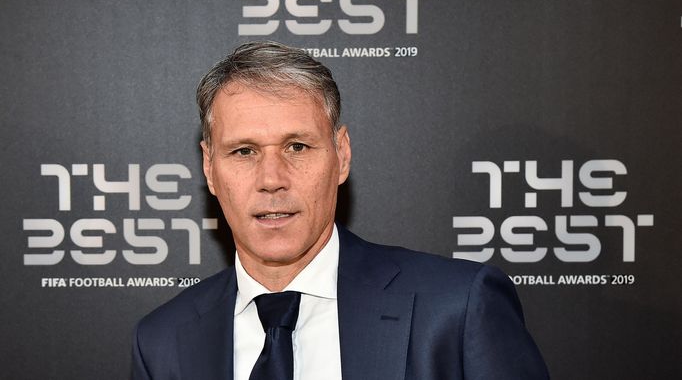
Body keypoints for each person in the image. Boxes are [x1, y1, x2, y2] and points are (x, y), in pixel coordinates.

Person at [132, 41, 549, 380]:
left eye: (297, 147)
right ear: (209, 167)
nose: (272, 178)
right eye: (243, 151)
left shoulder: (456, 307)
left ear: (341, 155)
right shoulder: (163, 341)